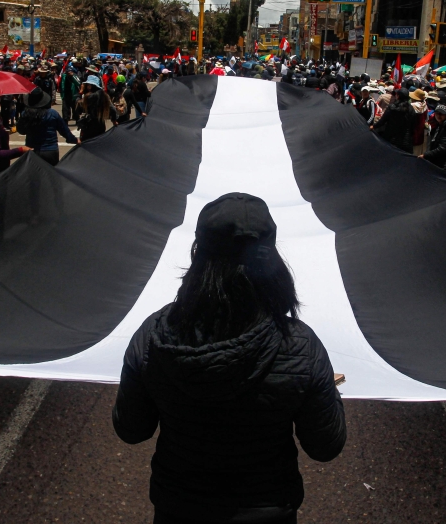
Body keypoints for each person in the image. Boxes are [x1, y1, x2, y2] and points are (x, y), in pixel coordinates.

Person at [113, 193, 346, 524]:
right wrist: (328, 389)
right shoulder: (300, 345)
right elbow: (325, 446)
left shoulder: (154, 336)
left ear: (198, 254)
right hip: (268, 511)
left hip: (179, 508)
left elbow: (131, 429)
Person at [17, 87, 78, 166]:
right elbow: (64, 131)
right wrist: (74, 140)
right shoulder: (53, 114)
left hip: (31, 150)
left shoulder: (25, 114)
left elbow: (21, 130)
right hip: (50, 152)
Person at [372, 88, 415, 153]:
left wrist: (373, 126)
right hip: (405, 140)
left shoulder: (392, 107)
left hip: (391, 138)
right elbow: (413, 124)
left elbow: (383, 121)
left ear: (398, 96)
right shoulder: (411, 109)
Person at [420, 104, 446, 173]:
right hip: (441, 162)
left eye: (441, 114)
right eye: (437, 113)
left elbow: (443, 148)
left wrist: (426, 155)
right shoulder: (440, 124)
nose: (438, 116)